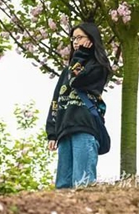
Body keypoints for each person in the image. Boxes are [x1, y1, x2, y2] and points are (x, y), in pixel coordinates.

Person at [46, 21, 111, 188]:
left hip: (85, 127)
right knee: (62, 186)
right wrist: (52, 132)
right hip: (65, 129)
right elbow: (56, 100)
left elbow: (77, 81)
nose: (75, 42)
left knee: (82, 183)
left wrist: (81, 55)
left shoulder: (99, 67)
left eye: (79, 37)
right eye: (73, 38)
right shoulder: (67, 71)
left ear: (91, 39)